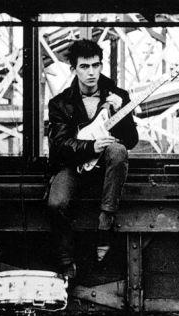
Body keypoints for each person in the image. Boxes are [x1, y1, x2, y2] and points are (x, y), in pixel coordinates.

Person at [47, 39, 138, 280]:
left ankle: (105, 225)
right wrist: (90, 146)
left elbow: (131, 141)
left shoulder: (118, 96)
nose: (91, 72)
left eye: (96, 65)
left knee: (118, 150)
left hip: (105, 170)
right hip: (73, 166)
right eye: (84, 66)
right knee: (56, 203)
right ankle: (66, 262)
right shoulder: (60, 104)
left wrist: (122, 112)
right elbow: (60, 145)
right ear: (73, 69)